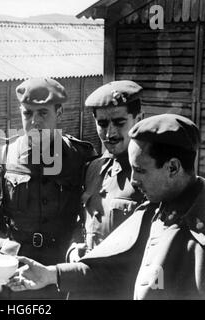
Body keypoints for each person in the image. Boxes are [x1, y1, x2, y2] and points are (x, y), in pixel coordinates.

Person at [7, 114, 205, 300]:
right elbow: (116, 269)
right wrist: (51, 275)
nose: (133, 180)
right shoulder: (154, 209)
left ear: (173, 167)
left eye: (140, 170)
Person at [0, 78, 97, 299]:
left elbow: (89, 213)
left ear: (59, 113)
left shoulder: (80, 156)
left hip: (59, 268)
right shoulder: (3, 153)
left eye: (43, 113)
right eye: (27, 113)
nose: (34, 121)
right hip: (15, 270)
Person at [67, 80, 145, 263]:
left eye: (119, 122)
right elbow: (80, 223)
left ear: (139, 120)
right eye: (102, 124)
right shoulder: (93, 168)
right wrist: (73, 250)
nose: (110, 133)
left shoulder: (149, 173)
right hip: (85, 279)